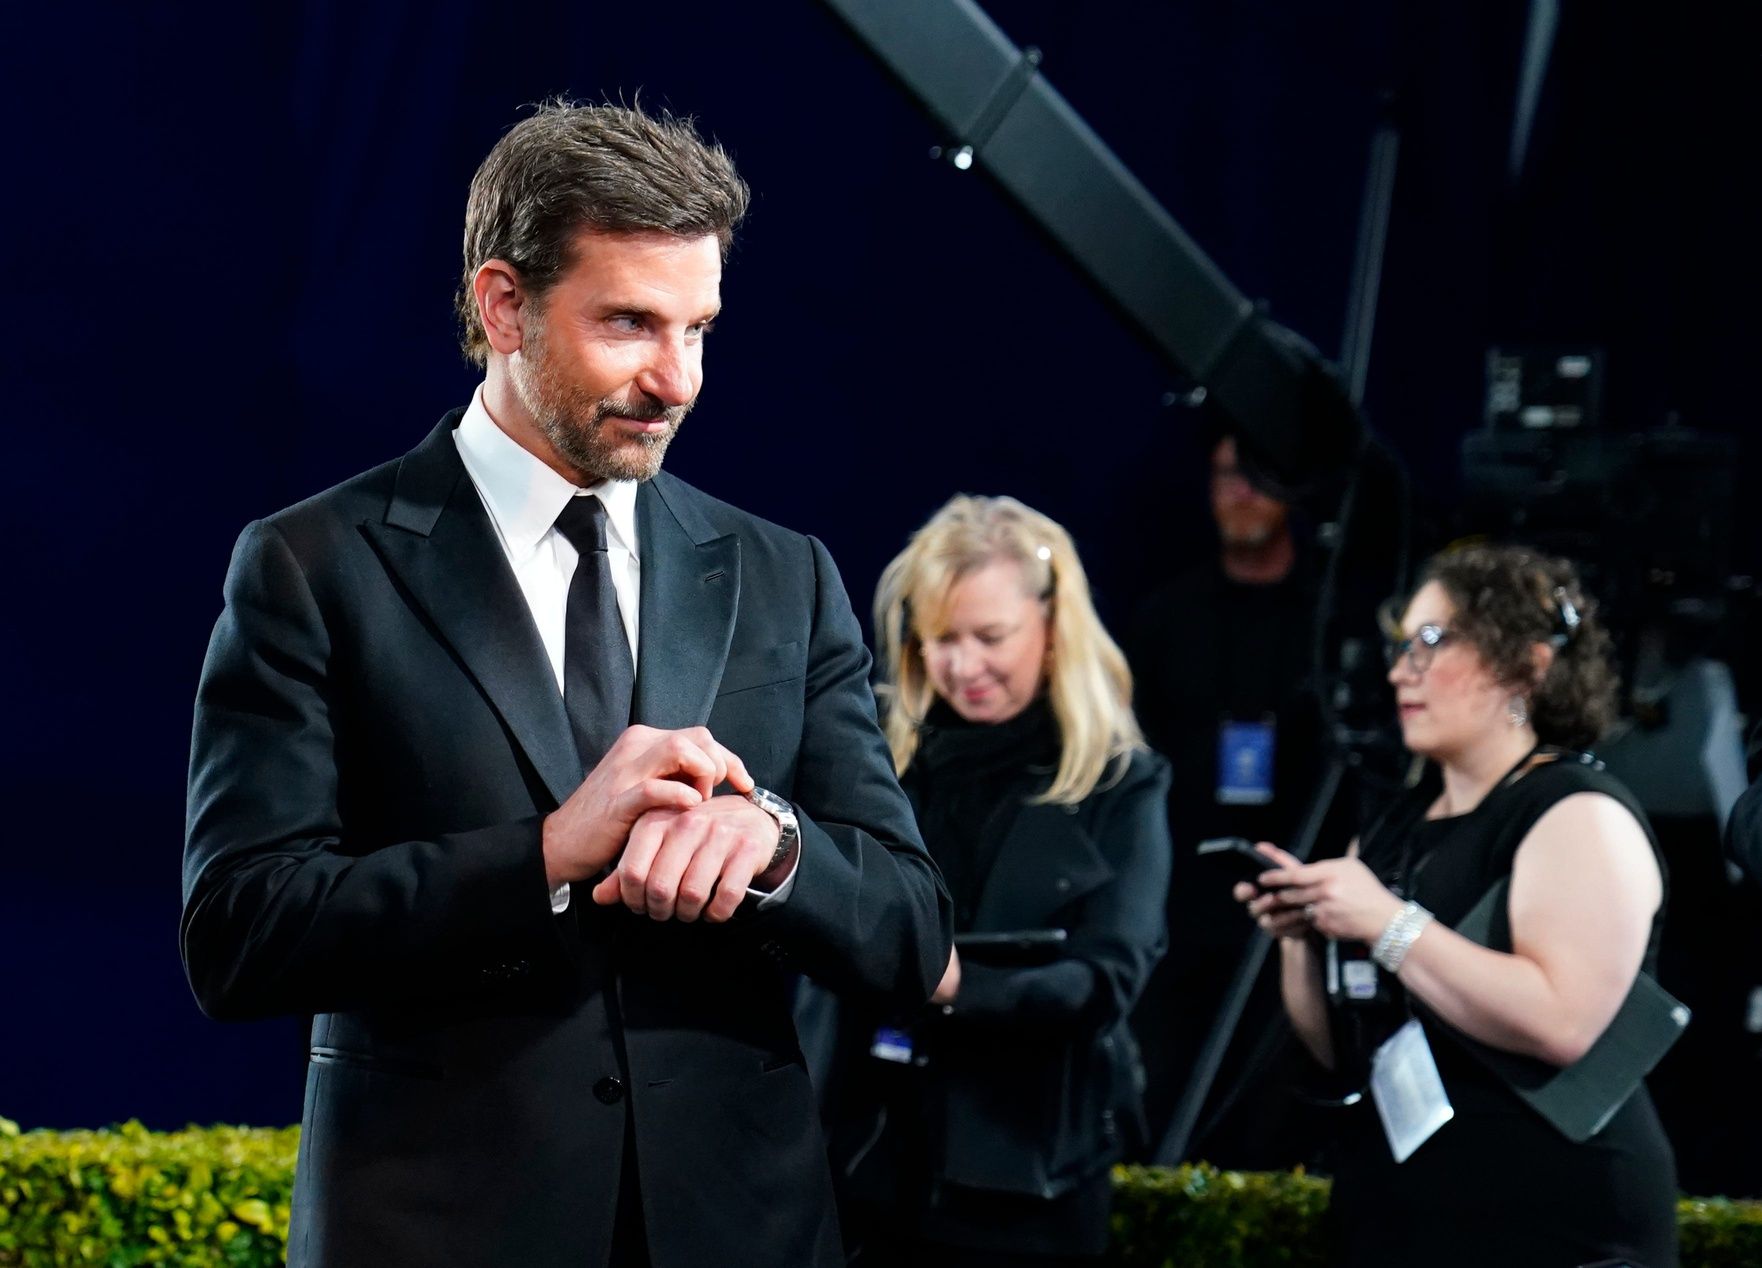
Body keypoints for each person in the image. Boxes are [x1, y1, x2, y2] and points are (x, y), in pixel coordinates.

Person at [181, 100, 951, 1268]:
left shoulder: (782, 573)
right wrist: (545, 852)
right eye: (631, 323)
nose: (678, 378)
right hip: (438, 1233)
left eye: (700, 327)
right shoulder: (313, 563)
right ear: (504, 305)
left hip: (745, 1229)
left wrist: (777, 844)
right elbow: (240, 933)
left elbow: (911, 929)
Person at [1237, 544, 1678, 1267]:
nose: (1399, 671)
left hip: (1556, 1226)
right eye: (1401, 645)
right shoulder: (1392, 825)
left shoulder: (1575, 812)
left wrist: (1386, 923)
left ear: (1527, 667)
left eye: (1432, 643)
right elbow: (1343, 1050)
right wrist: (1300, 939)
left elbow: (1562, 1022)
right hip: (1401, 1214)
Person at [817, 495, 1171, 1267]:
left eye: (990, 637)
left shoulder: (1118, 782)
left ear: (1052, 631)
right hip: (865, 1164)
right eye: (942, 639)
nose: (964, 666)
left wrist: (951, 982)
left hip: (1028, 1185)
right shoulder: (880, 758)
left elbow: (1105, 979)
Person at [1125, 428, 1333, 1163]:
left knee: (1276, 1120)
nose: (1238, 492)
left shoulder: (1331, 624)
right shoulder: (1165, 619)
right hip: (1180, 909)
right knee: (1165, 1101)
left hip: (1293, 907)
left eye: (1256, 475)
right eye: (1223, 477)